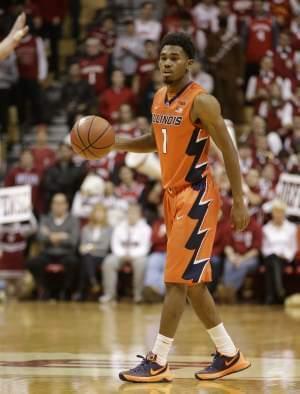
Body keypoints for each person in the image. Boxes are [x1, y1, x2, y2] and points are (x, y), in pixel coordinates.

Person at [105, 32, 250, 382]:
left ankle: (158, 360)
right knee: (194, 284)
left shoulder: (203, 102)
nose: (166, 62)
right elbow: (155, 141)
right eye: (163, 57)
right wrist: (114, 144)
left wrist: (240, 199)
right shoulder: (158, 98)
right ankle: (229, 353)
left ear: (189, 63)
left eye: (174, 57)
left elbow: (228, 150)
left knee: (175, 281)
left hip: (197, 196)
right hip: (173, 196)